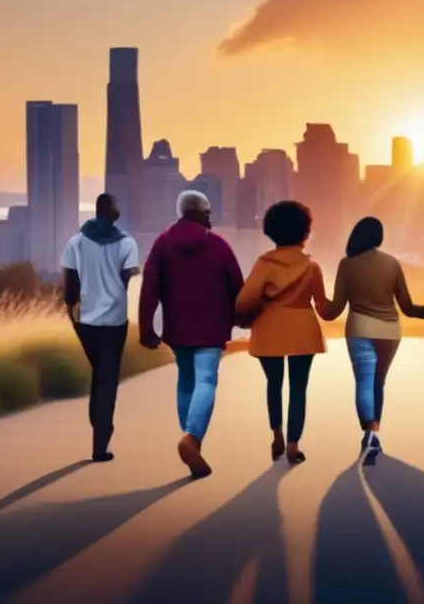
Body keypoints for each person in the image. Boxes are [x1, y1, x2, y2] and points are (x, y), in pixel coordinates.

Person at [139, 190, 245, 479]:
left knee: (186, 380)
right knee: (207, 379)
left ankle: (190, 438)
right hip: (212, 328)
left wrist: (147, 328)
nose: (210, 217)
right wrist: (242, 318)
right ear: (197, 213)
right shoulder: (219, 245)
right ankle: (192, 438)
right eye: (208, 212)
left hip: (177, 328)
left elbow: (149, 288)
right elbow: (238, 286)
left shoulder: (162, 244)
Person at [326, 217, 424, 462]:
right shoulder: (392, 263)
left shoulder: (347, 265)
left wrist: (316, 305)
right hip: (389, 331)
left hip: (360, 328)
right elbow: (406, 306)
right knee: (378, 383)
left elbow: (336, 309)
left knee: (364, 381)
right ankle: (372, 436)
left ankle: (370, 433)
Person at [234, 201, 330, 464]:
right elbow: (323, 307)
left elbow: (245, 299)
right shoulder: (312, 267)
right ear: (305, 231)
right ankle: (293, 444)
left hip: (269, 329)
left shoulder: (264, 263)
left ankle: (276, 432)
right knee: (299, 388)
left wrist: (243, 320)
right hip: (303, 330)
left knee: (273, 384)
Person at [61, 193, 140, 462]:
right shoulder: (126, 243)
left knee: (100, 374)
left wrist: (72, 313)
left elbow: (70, 286)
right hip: (114, 322)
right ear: (111, 210)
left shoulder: (75, 242)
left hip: (85, 321)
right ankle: (100, 441)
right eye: (116, 205)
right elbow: (128, 279)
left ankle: (99, 427)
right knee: (107, 379)